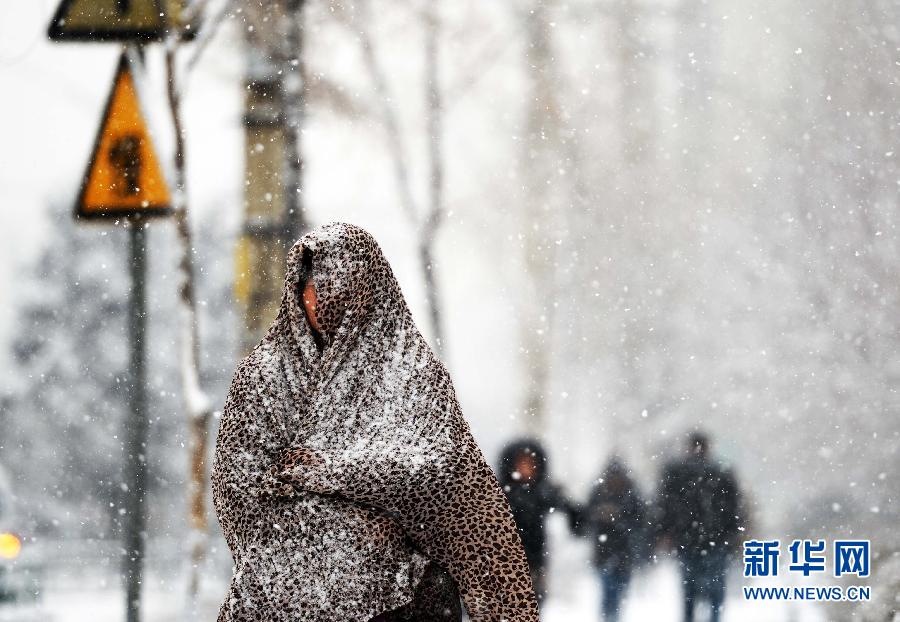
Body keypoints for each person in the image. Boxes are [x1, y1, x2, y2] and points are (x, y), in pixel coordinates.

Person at [211, 223, 539, 622]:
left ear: (360, 288)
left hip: (401, 602)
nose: (314, 299)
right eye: (306, 286)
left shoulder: (412, 373)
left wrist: (338, 477)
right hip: (279, 598)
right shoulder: (263, 376)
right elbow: (236, 490)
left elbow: (446, 482)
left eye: (328, 286)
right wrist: (301, 553)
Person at [655, 431, 743, 622]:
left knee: (689, 593)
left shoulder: (675, 473)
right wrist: (733, 534)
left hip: (688, 541)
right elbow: (733, 507)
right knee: (715, 593)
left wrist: (665, 532)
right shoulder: (722, 472)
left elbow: (664, 506)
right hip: (715, 541)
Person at [497, 438, 580, 604]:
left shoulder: (544, 492)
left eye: (530, 463)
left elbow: (576, 517)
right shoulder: (498, 491)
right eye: (521, 463)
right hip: (500, 566)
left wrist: (572, 513)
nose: (526, 468)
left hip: (534, 565)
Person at [581, 457, 645, 622]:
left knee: (619, 592)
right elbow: (586, 517)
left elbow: (640, 521)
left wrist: (618, 518)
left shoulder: (631, 494)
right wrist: (600, 515)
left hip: (624, 553)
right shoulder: (599, 492)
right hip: (605, 553)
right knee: (608, 593)